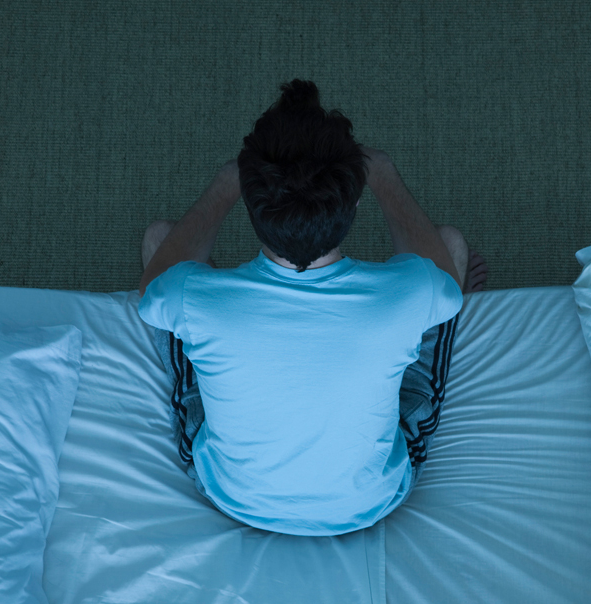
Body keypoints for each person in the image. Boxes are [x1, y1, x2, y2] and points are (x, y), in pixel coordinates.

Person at [137, 79, 487, 537]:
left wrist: (225, 185)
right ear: (356, 201)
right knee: (451, 249)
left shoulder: (183, 294)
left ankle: (219, 297)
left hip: (233, 495)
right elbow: (445, 282)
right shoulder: (415, 288)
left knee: (161, 240)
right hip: (372, 499)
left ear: (250, 205)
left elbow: (151, 290)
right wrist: (381, 170)